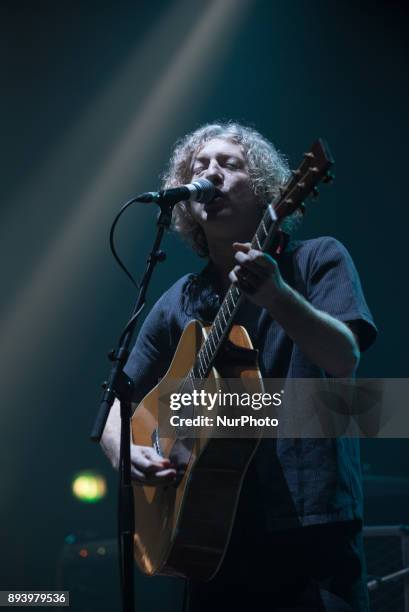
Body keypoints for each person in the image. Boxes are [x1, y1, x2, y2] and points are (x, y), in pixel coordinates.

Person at [101, 122, 377, 611]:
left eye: (229, 164)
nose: (210, 173)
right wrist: (126, 452)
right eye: (198, 167)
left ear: (270, 191)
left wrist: (277, 296)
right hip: (207, 531)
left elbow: (344, 357)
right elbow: (115, 403)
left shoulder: (317, 260)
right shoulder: (179, 299)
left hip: (310, 526)